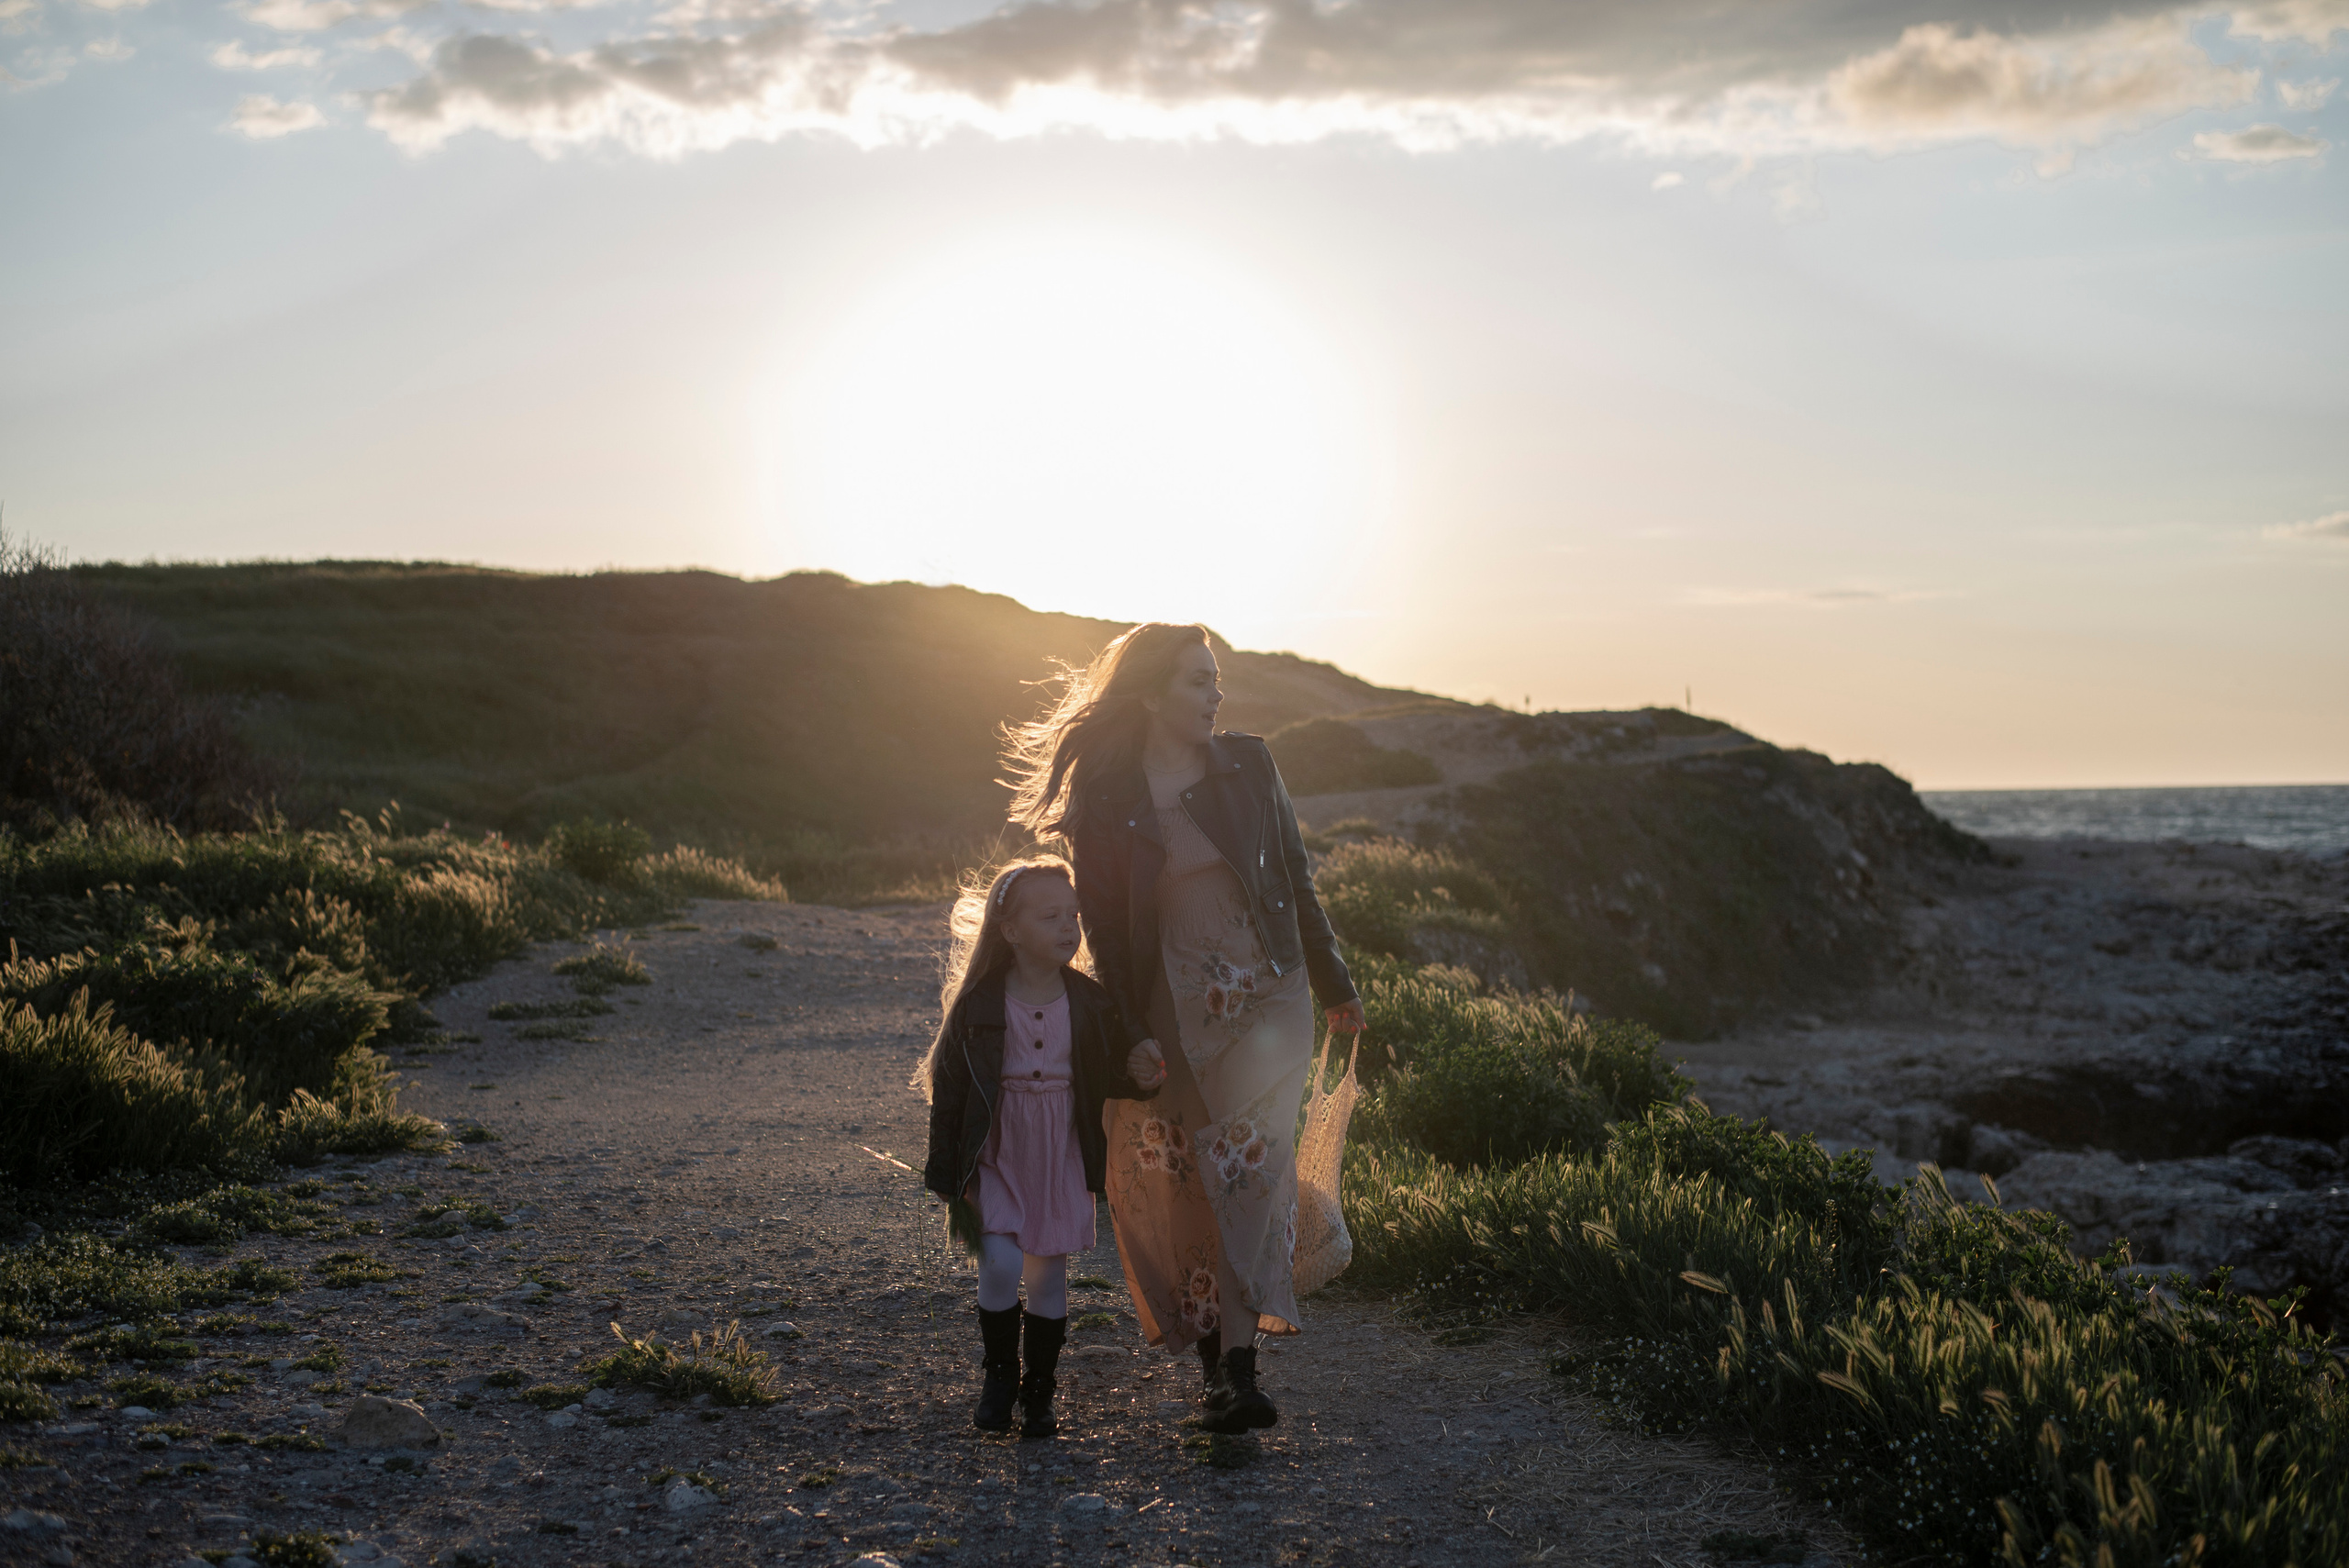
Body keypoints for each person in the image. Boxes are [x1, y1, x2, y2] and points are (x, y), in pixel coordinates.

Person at [1004, 624, 1366, 1434]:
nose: (1216, 695)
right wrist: (1129, 1027)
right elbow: (1102, 925)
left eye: (1217, 680)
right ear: (1150, 693)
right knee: (1188, 1183)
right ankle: (1214, 1365)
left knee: (1252, 1180)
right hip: (1173, 1008)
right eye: (1198, 681)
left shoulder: (1251, 766)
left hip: (1269, 1001)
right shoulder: (1111, 798)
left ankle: (1242, 1374)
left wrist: (1336, 982)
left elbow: (1296, 881)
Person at [916, 855, 1168, 1438]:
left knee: (1048, 1279)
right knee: (1002, 1263)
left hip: (1060, 1148)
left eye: (1073, 916)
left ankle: (1039, 1394)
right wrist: (948, 1174)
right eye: (1050, 916)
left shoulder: (1089, 1000)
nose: (1067, 928)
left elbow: (1107, 1074)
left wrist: (1140, 1075)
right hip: (999, 1147)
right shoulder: (980, 1003)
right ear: (1010, 931)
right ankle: (1000, 1377)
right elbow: (950, 1092)